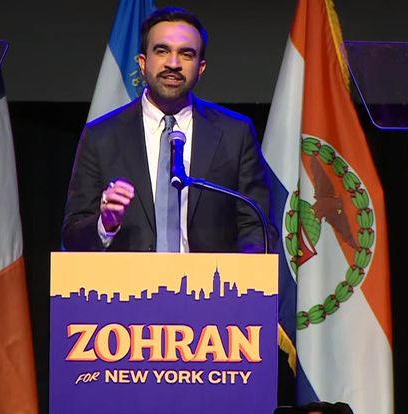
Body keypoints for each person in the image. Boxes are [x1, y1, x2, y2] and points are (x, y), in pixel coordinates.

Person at [62, 7, 274, 254]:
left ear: (201, 67)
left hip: (210, 289)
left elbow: (256, 226)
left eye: (186, 54)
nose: (173, 64)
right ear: (142, 63)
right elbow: (72, 237)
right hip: (127, 288)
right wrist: (105, 224)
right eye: (162, 51)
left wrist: (241, 278)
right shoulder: (101, 136)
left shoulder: (235, 133)